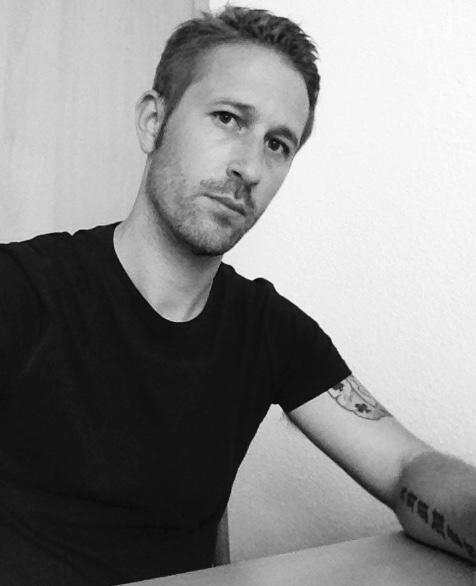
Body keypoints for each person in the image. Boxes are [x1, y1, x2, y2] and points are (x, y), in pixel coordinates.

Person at [0, 5, 475, 585]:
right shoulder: (22, 289)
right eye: (228, 118)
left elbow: (405, 466)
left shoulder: (269, 331)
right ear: (153, 121)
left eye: (278, 144)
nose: (250, 167)